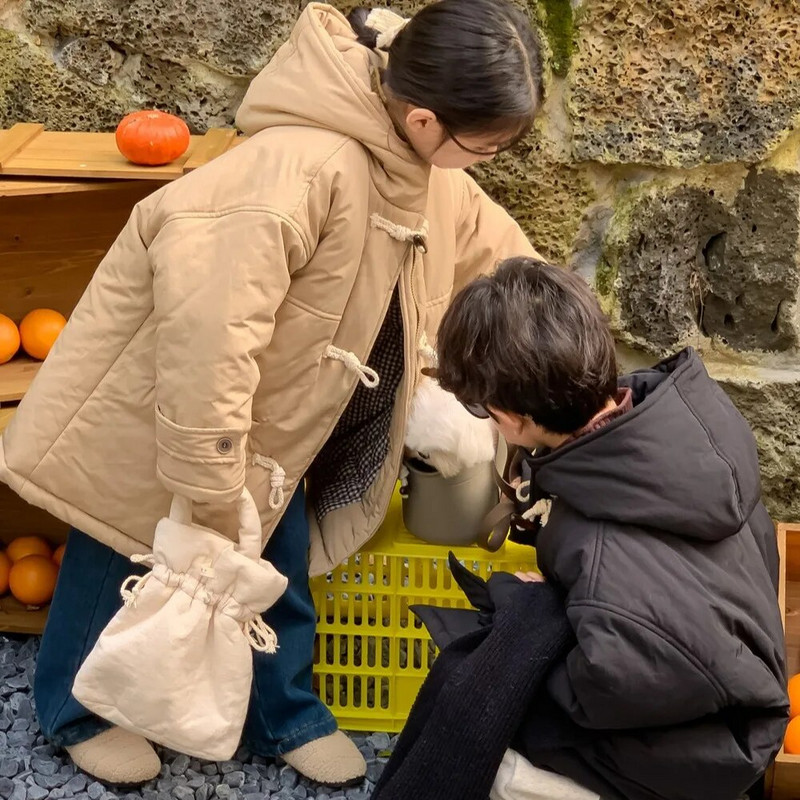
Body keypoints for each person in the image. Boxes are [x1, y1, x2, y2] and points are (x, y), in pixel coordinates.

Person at [0, 0, 545, 789]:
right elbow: (207, 331)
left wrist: (553, 323)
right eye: (486, 146)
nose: (486, 161)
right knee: (120, 546)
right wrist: (209, 462)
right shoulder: (295, 168)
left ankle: (279, 712)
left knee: (273, 559)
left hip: (283, 416)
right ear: (426, 119)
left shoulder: (420, 170)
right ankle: (77, 707)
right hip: (178, 405)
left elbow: (491, 249)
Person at [427, 257, 789, 800]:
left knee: (480, 729)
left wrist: (538, 628)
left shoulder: (603, 553)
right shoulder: (683, 425)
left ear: (510, 418)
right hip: (737, 682)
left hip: (716, 746)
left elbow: (606, 689)